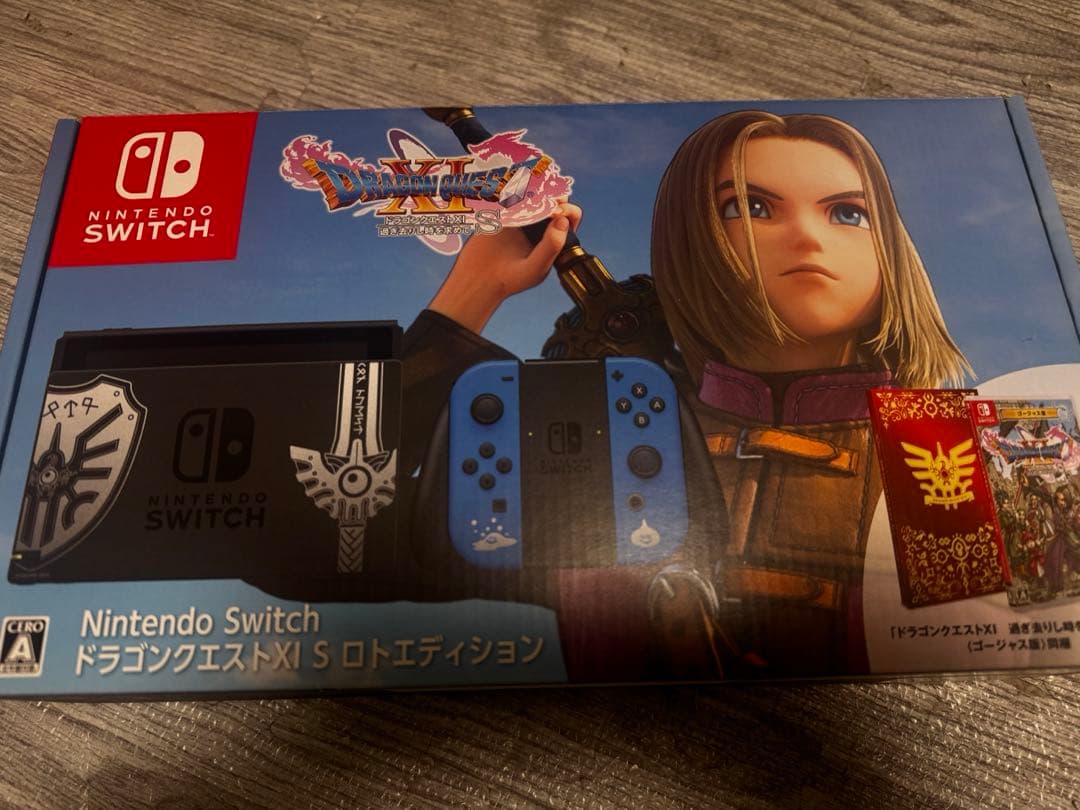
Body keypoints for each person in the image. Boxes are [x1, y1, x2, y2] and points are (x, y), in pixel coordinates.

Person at [403, 109, 971, 677]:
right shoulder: (613, 428)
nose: (806, 236)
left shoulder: (936, 442)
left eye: (848, 212)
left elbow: (963, 650)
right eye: (749, 207)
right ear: (689, 239)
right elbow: (369, 526)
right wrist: (475, 287)